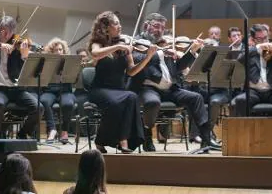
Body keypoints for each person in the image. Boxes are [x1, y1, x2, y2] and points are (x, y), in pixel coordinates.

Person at [130, 13, 211, 152]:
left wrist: (192, 51)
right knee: (152, 102)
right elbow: (137, 59)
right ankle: (147, 136)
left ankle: (206, 139)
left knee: (196, 98)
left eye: (162, 28)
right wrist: (161, 52)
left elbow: (178, 67)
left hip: (170, 89)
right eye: (156, 26)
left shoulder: (166, 44)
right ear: (146, 26)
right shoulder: (137, 43)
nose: (160, 30)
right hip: (148, 87)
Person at [88, 11, 155, 153]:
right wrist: (117, 46)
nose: (120, 26)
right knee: (119, 101)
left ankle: (122, 140)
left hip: (118, 90)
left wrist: (147, 58)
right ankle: (107, 140)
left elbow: (131, 71)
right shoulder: (98, 43)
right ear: (106, 27)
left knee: (132, 96)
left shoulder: (124, 45)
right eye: (116, 23)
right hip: (99, 90)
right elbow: (95, 54)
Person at [0, 15, 41, 139]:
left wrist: (24, 56)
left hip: (17, 89)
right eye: (2, 30)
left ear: (13, 31)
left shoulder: (18, 48)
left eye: (8, 31)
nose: (5, 33)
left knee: (39, 108)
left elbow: (27, 69)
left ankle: (23, 133)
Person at [232, 24, 272, 117]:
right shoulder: (250, 52)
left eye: (265, 38)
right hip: (254, 92)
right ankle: (243, 130)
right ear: (253, 40)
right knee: (241, 100)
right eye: (259, 39)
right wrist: (259, 47)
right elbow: (240, 58)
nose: (264, 41)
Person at [40, 37, 75, 143]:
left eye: (61, 49)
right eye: (56, 50)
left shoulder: (69, 62)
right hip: (50, 91)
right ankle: (52, 129)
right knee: (44, 101)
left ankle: (64, 131)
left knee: (68, 104)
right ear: (51, 52)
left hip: (65, 91)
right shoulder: (46, 63)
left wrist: (74, 70)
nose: (59, 52)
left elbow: (75, 80)